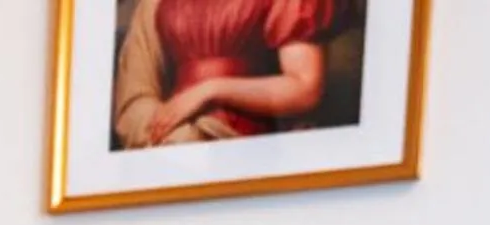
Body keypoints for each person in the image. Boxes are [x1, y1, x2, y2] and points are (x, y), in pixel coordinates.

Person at [113, 0, 361, 148]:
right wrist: (179, 139)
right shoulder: (154, 4)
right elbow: (134, 98)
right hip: (170, 145)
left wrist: (212, 90)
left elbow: (306, 88)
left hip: (248, 146)